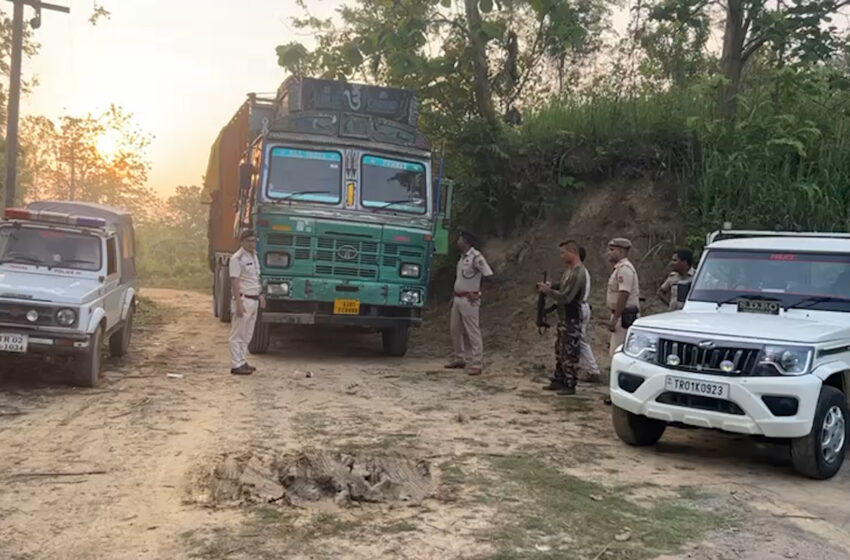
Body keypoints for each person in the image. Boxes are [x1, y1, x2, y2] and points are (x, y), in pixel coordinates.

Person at [538, 240, 586, 395]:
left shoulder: (579, 273)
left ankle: (570, 383)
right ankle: (559, 379)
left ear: (572, 252)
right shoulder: (570, 271)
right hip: (564, 317)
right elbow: (564, 287)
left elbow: (567, 297)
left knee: (569, 351)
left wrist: (548, 291)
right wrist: (552, 285)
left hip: (571, 317)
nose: (561, 256)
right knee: (560, 349)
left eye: (563, 252)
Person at [445, 230, 494, 376]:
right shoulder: (462, 258)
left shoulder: (476, 257)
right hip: (458, 298)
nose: (458, 241)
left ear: (465, 241)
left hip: (469, 300)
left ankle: (477, 363)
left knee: (473, 331)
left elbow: (489, 276)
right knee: (455, 329)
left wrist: (479, 293)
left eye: (460, 238)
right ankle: (459, 358)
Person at [229, 229, 265, 375]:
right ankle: (236, 364)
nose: (252, 244)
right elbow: (235, 282)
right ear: (242, 242)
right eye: (249, 241)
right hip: (243, 299)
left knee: (247, 333)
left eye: (254, 241)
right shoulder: (236, 259)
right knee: (237, 334)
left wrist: (260, 294)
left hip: (254, 298)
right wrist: (238, 302)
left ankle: (242, 361)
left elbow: (255, 279)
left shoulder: (254, 256)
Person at [606, 237, 640, 357]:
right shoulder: (619, 268)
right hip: (621, 315)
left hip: (624, 316)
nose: (608, 253)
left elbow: (623, 294)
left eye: (612, 249)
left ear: (620, 251)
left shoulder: (624, 269)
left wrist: (615, 318)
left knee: (618, 352)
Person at [578, 246, 601, 382]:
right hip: (583, 306)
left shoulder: (580, 271)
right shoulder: (582, 271)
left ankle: (593, 369)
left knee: (580, 340)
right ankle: (585, 367)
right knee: (579, 339)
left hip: (581, 306)